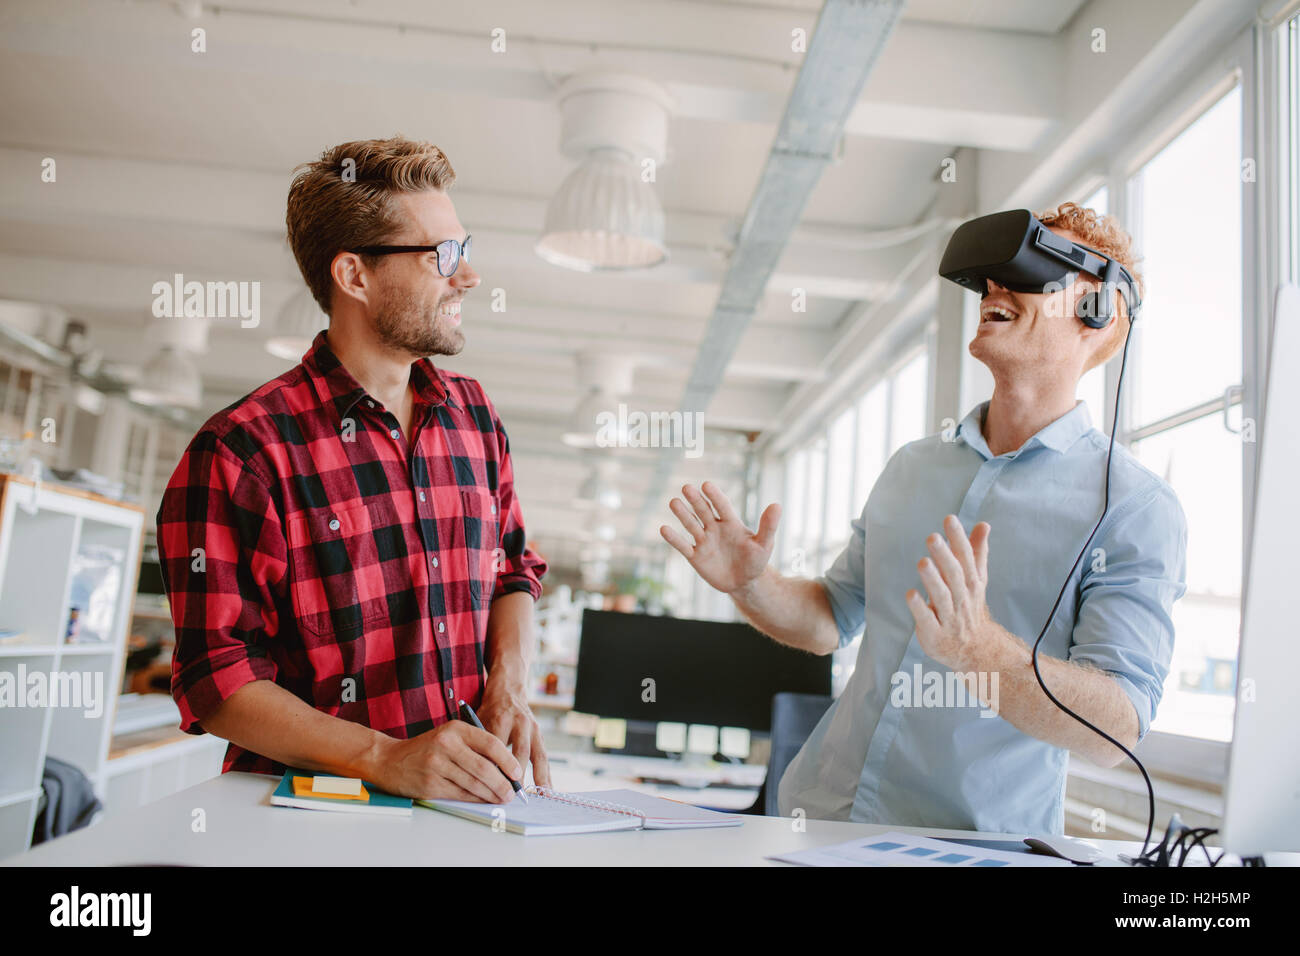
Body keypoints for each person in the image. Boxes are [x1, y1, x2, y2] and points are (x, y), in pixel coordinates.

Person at [662, 203, 1186, 834]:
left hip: (965, 848)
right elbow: (832, 618)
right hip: (813, 821)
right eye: (994, 274)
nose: (994, 286)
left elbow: (1117, 727)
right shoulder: (913, 465)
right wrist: (752, 584)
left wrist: (980, 651)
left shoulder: (1132, 508)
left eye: (1033, 268)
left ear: (1095, 315)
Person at [158, 137, 548, 804]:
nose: (468, 276)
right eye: (441, 256)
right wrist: (386, 758)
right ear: (354, 276)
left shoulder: (474, 418)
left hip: (464, 815)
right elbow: (216, 681)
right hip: (307, 819)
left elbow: (514, 569)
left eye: (465, 249)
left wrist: (507, 682)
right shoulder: (242, 451)